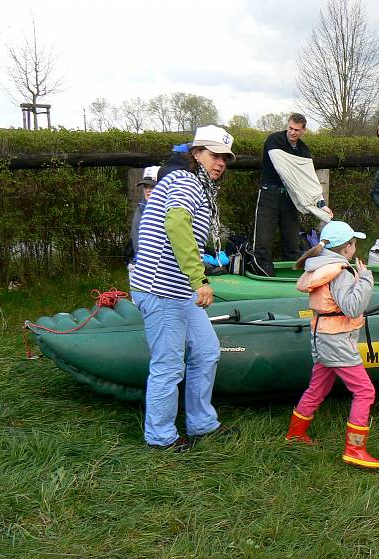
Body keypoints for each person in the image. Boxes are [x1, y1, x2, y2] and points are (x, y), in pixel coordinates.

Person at [130, 125, 239, 451]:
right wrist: (199, 279)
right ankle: (160, 437)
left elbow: (187, 233)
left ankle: (201, 422)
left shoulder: (200, 187)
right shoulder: (185, 181)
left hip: (178, 290)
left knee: (207, 352)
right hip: (159, 288)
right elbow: (177, 224)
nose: (220, 162)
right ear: (196, 154)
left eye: (225, 158)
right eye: (214, 154)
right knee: (168, 364)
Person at [285, 220, 379, 469]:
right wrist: (366, 280)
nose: (356, 247)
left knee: (317, 387)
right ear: (347, 247)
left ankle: (295, 434)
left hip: (322, 336)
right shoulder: (340, 271)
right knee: (364, 391)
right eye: (354, 243)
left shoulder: (320, 266)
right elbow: (352, 308)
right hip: (337, 340)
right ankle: (355, 449)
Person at [254, 113, 333, 277]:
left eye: (297, 130)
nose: (292, 132)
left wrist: (320, 204)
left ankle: (291, 275)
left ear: (303, 130)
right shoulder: (274, 140)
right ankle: (262, 272)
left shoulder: (303, 150)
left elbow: (308, 179)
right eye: (290, 128)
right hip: (270, 193)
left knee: (291, 239)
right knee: (264, 237)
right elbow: (285, 171)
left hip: (291, 198)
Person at [128, 165, 160, 269]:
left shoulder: (170, 209)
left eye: (152, 186)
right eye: (146, 186)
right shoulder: (140, 208)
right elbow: (136, 236)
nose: (148, 190)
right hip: (142, 264)